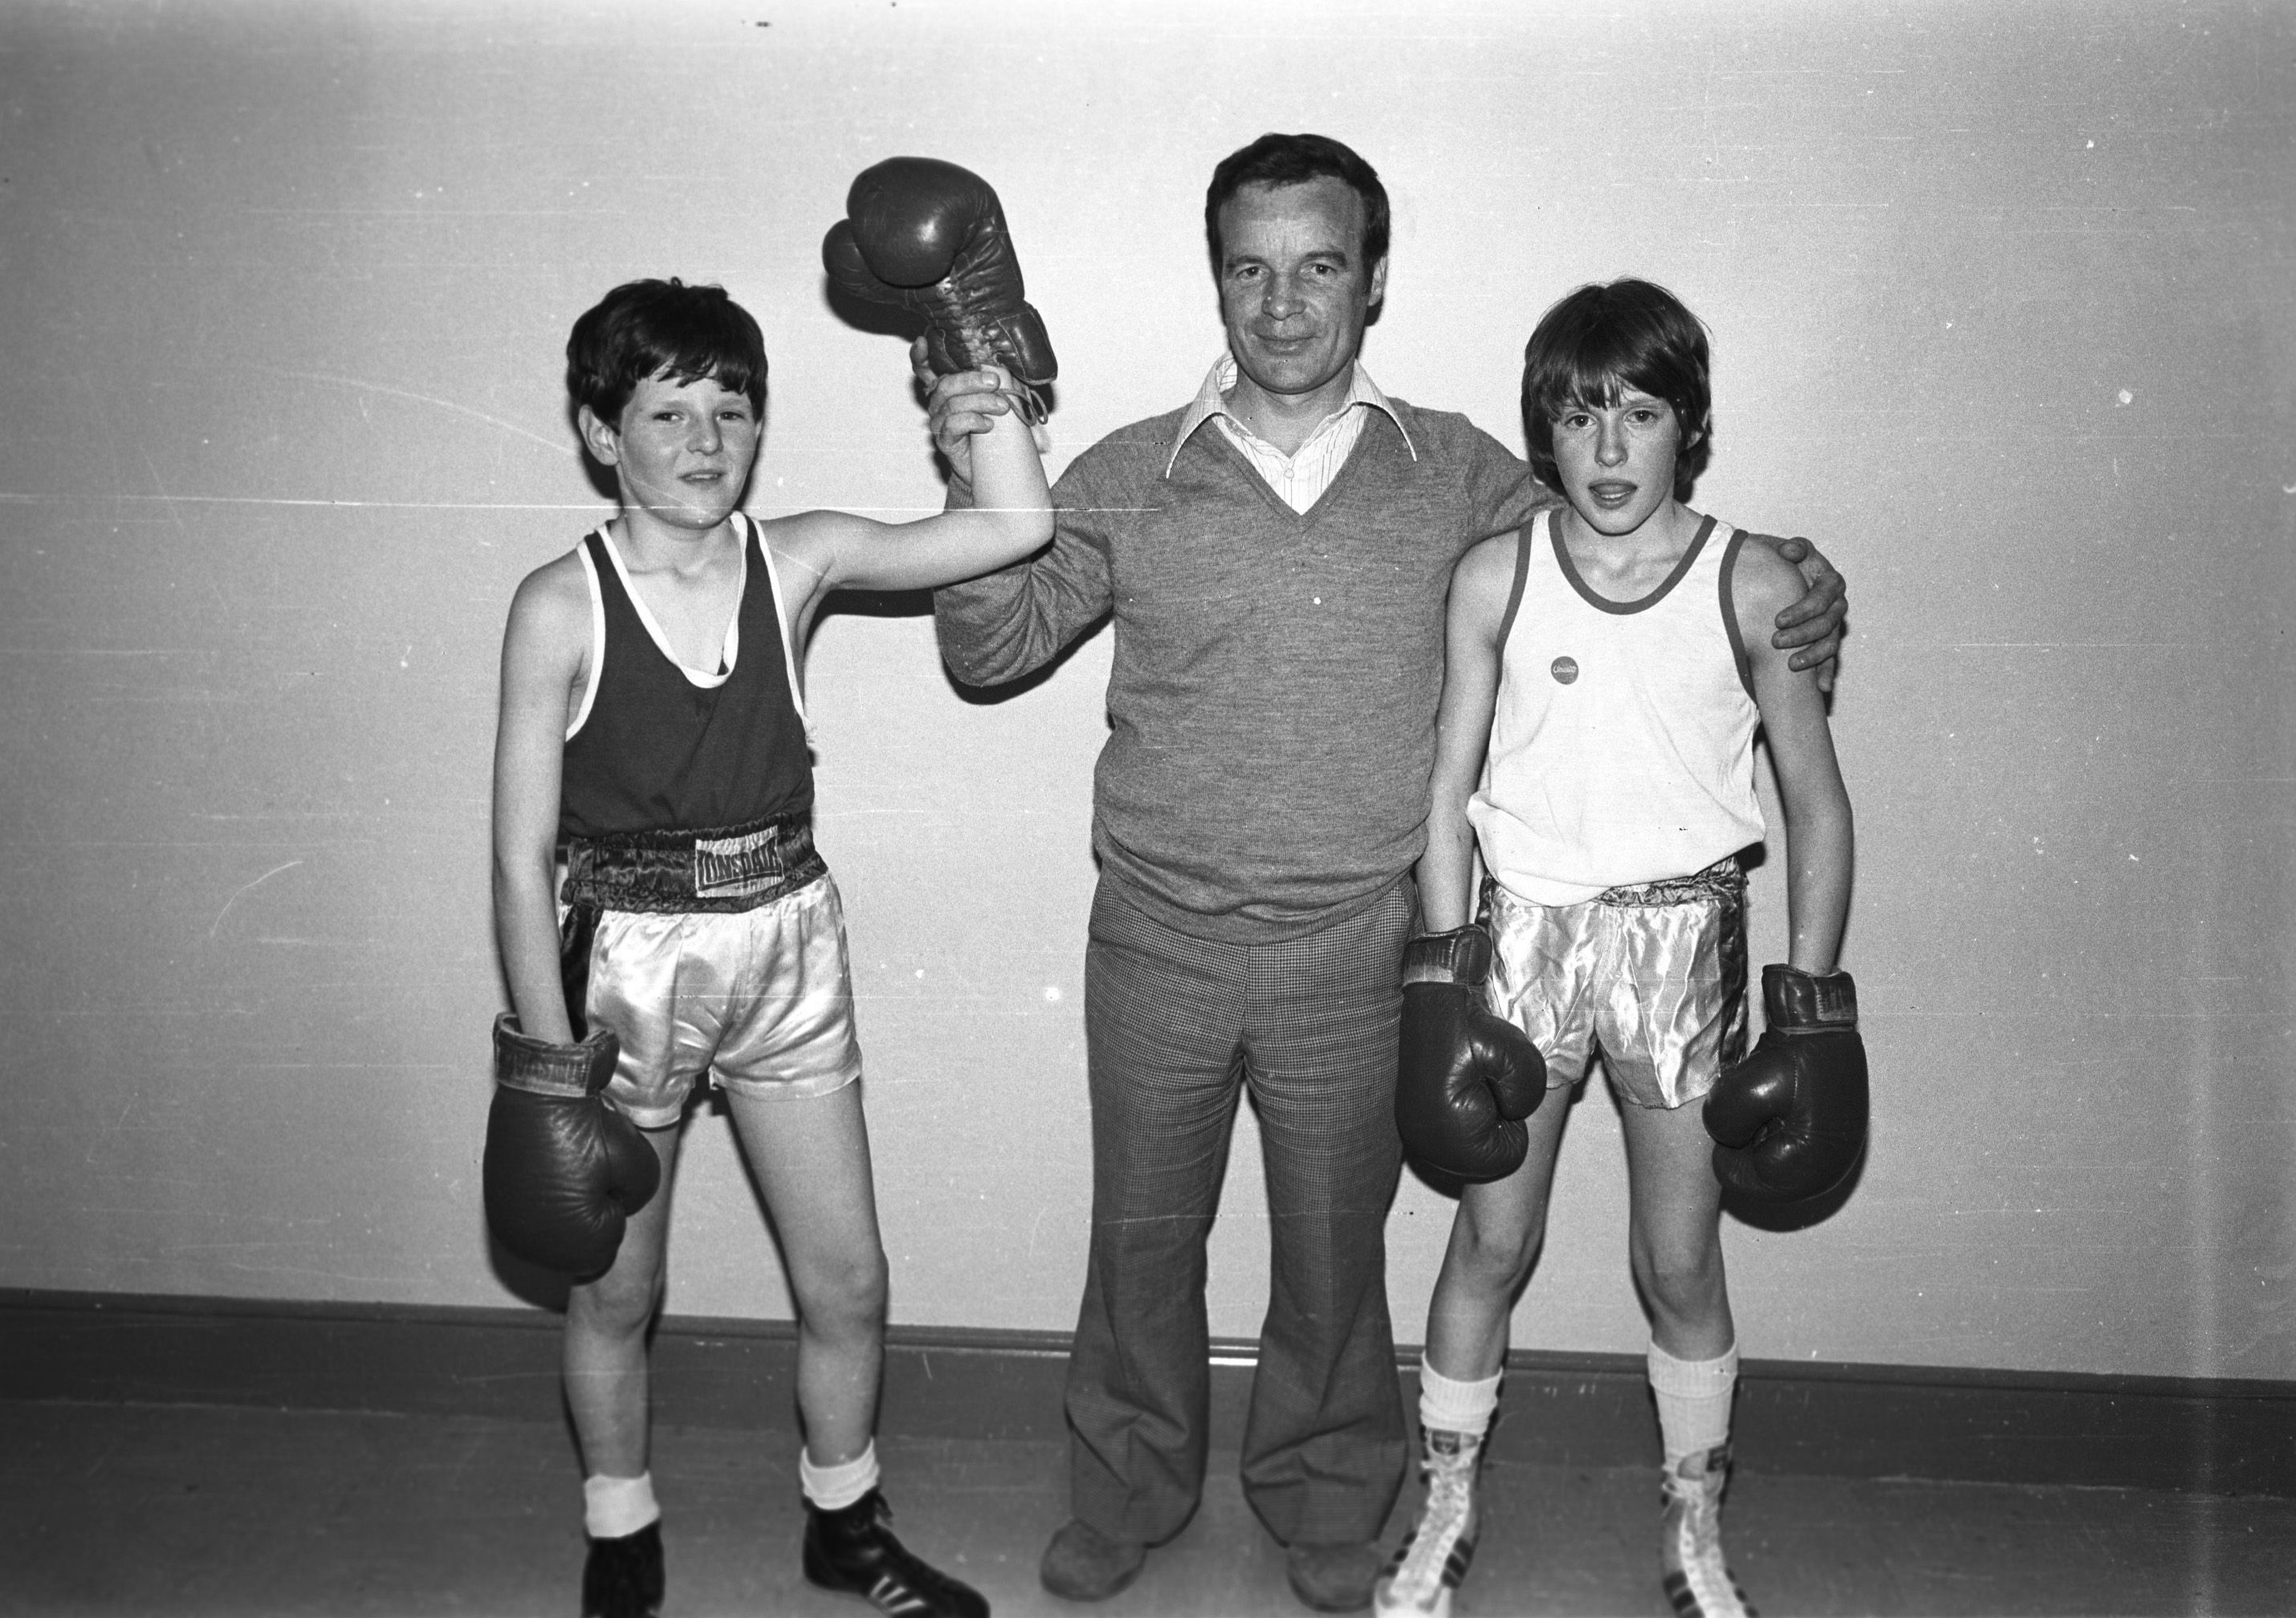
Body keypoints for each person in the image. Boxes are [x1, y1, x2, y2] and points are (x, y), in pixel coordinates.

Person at [922, 136, 1848, 1613]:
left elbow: (1630, 540)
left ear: (1373, 282)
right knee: (1140, 1245)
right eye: (1250, 267)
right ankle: (1130, 1486)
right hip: (1155, 937)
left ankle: (1328, 1493)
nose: (1283, 303)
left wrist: (1793, 572)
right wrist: (975, 463)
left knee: (1338, 1254)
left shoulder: (1456, 471)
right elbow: (991, 648)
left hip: (1362, 946)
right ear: (1216, 281)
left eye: (1320, 265)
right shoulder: (1130, 472)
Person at [487, 276, 1051, 1618]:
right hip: (623, 973)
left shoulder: (792, 558)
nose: (702, 441)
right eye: (666, 412)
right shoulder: (559, 604)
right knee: (618, 1289)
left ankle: (844, 1525)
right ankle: (620, 1531)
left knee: (849, 1277)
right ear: (596, 430)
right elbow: (519, 856)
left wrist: (982, 380)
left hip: (786, 943)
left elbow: (1015, 523)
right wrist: (548, 1075)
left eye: (729, 411)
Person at [1375, 279, 1860, 1618]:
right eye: (1580, 415)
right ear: (1545, 429)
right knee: (1488, 1242)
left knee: (1681, 1261)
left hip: (1680, 942)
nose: (1607, 449)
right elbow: (1444, 785)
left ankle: (1697, 1525)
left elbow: (1815, 800)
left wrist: (1815, 1013)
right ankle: (1448, 1502)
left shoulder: (1752, 582)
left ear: (1685, 427)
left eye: (1638, 415)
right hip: (1525, 935)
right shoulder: (1499, 574)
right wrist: (1439, 973)